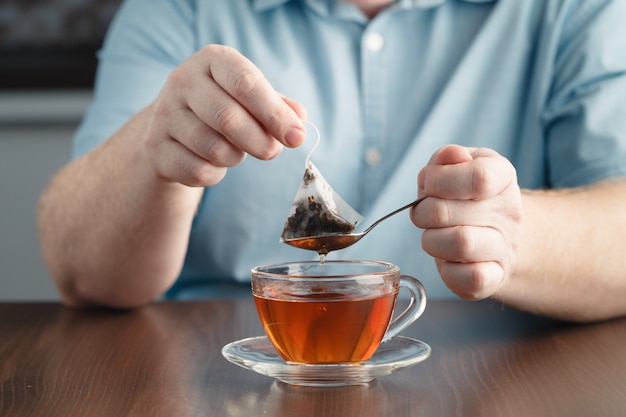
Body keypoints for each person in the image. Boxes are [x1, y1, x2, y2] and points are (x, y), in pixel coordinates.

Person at [37, 0, 626, 321]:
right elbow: (80, 274)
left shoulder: (573, 9)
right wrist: (158, 146)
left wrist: (509, 235)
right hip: (214, 376)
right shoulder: (180, 9)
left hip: (491, 376)